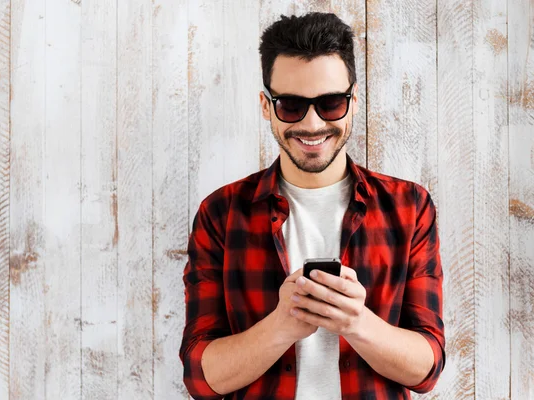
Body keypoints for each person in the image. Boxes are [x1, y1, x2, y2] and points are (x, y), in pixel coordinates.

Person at [179, 12, 445, 400]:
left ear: (353, 102)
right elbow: (201, 378)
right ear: (266, 106)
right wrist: (282, 325)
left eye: (331, 103)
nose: (312, 123)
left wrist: (356, 323)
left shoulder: (409, 207)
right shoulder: (221, 213)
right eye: (290, 105)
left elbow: (428, 369)